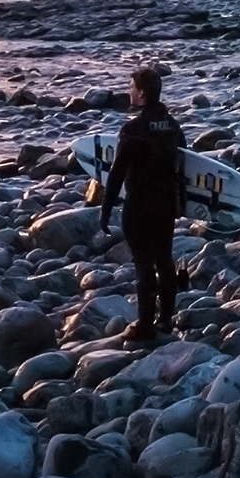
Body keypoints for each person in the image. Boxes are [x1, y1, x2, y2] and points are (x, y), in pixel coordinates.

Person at [101, 64, 191, 343]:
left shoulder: (133, 130)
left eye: (132, 88)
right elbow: (186, 166)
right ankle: (165, 319)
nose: (129, 92)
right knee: (164, 259)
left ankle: (145, 325)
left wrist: (105, 211)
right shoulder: (173, 126)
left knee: (143, 264)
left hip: (139, 206)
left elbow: (116, 173)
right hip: (165, 205)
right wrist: (182, 204)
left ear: (141, 94)